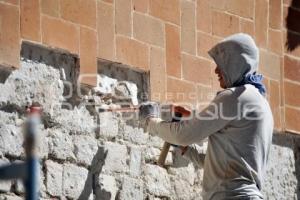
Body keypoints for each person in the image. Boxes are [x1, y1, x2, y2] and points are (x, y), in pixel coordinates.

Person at [139, 33, 274, 200]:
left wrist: (150, 120)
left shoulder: (235, 97)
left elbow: (184, 134)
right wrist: (187, 150)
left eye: (222, 63)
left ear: (237, 63)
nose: (216, 70)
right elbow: (225, 165)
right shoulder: (260, 102)